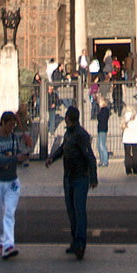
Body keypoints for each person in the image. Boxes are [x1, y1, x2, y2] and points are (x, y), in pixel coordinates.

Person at [49, 105, 99, 258]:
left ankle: (80, 243)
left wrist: (93, 177)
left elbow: (89, 156)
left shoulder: (80, 135)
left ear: (68, 119)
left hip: (79, 177)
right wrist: (52, 158)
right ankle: (75, 240)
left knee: (78, 210)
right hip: (70, 177)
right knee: (72, 211)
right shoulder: (69, 134)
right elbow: (63, 148)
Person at [0, 109, 30, 257]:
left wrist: (22, 155)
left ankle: (8, 244)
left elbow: (17, 153)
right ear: (3, 124)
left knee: (9, 213)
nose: (12, 129)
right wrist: (15, 159)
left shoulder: (13, 138)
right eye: (10, 125)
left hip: (12, 180)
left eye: (13, 126)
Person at [121, 105, 137, 175]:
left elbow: (122, 126)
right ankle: (136, 169)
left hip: (127, 137)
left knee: (127, 154)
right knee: (135, 154)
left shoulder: (124, 116)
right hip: (135, 137)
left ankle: (128, 170)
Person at [94, 93, 111, 169]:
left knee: (102, 145)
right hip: (100, 129)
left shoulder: (105, 110)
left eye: (100, 102)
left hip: (103, 129)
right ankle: (101, 160)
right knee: (98, 145)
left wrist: (99, 112)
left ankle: (105, 161)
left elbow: (100, 118)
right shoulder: (102, 110)